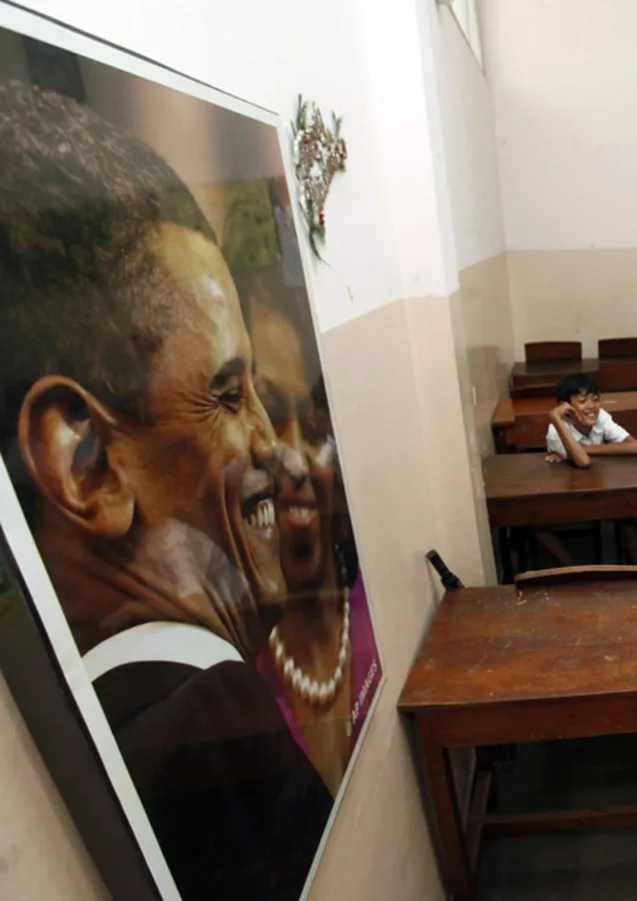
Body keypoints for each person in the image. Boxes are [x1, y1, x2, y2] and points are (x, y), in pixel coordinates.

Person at [0, 81, 329, 900]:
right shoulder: (204, 716)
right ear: (88, 463)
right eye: (227, 393)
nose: (271, 443)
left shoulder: (107, 716)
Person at [243, 271, 382, 794]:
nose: (298, 462)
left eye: (317, 425)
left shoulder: (370, 606)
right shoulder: (238, 682)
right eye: (270, 415)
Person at [540, 373, 637, 565]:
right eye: (582, 401)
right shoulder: (556, 431)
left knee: (626, 509)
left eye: (595, 400)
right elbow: (583, 462)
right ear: (566, 407)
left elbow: (634, 446)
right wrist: (555, 418)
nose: (592, 406)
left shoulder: (600, 417)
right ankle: (572, 570)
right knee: (536, 521)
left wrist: (586, 449)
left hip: (599, 485)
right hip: (567, 492)